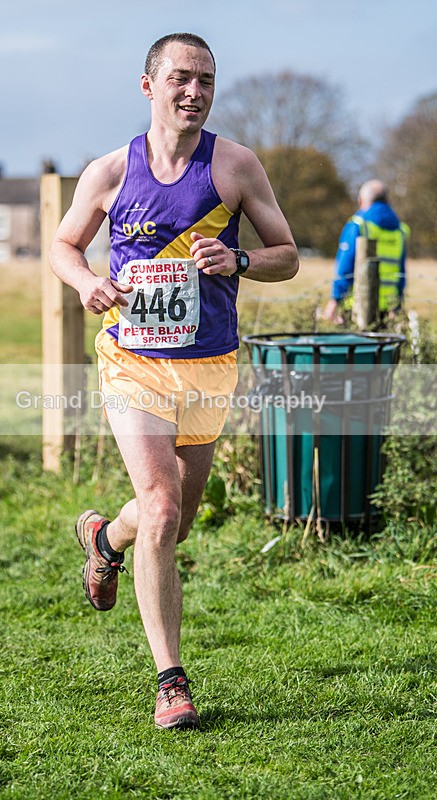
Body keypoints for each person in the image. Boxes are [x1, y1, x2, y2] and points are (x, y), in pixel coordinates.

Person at [49, 32, 298, 730]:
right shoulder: (108, 171)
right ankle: (171, 683)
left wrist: (241, 261)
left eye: (206, 82)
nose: (194, 93)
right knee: (159, 507)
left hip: (210, 361)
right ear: (148, 86)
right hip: (134, 359)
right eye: (181, 79)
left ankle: (103, 540)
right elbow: (63, 246)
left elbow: (287, 256)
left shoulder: (236, 166)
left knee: (175, 521)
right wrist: (88, 283)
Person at [324, 179, 409, 324]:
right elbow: (400, 271)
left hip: (357, 304)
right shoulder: (400, 230)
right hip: (389, 308)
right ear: (388, 200)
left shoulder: (358, 224)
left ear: (361, 200)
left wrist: (335, 299)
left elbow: (345, 265)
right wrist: (398, 303)